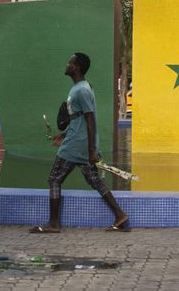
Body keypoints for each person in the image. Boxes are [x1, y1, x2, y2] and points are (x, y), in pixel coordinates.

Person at [30, 52, 129, 233]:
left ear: (76, 67)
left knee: (54, 179)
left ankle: (53, 223)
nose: (67, 64)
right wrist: (64, 135)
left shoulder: (82, 90)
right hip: (78, 141)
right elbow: (79, 118)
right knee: (94, 181)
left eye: (70, 62)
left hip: (77, 145)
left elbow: (90, 119)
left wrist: (91, 150)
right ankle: (120, 215)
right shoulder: (80, 87)